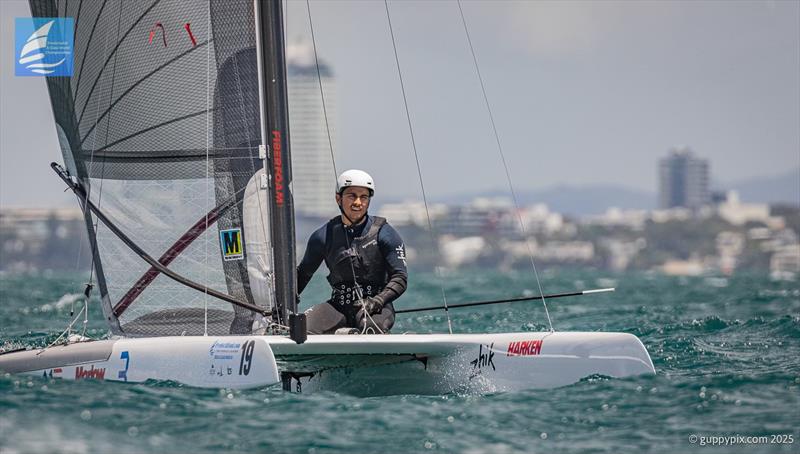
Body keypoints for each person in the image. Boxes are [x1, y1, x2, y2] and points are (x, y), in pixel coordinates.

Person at [297, 169, 408, 334]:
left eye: (364, 197)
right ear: (338, 199)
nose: (358, 202)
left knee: (369, 328)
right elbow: (302, 276)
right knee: (300, 329)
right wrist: (279, 309)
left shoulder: (385, 233)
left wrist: (378, 300)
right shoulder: (322, 236)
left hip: (376, 307)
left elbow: (400, 279)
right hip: (338, 306)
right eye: (352, 196)